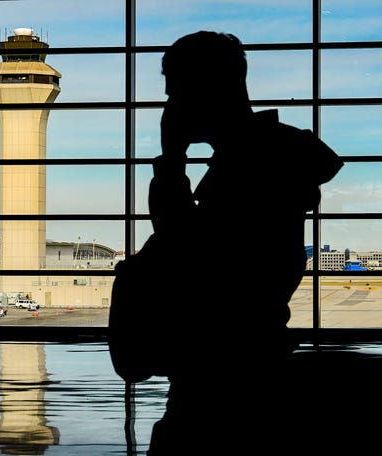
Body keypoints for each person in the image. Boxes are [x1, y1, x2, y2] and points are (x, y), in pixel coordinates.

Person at [110, 30, 344, 454]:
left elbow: (182, 246)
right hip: (250, 366)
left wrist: (171, 162)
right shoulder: (274, 154)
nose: (169, 106)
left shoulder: (248, 168)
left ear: (203, 90)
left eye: (175, 92)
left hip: (218, 381)